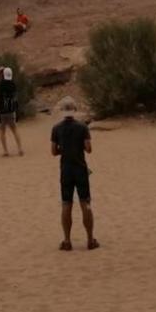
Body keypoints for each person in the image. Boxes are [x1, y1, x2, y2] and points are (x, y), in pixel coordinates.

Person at [51, 97, 97, 251]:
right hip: (80, 168)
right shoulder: (82, 127)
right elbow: (89, 148)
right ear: (75, 111)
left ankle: (67, 240)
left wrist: (63, 149)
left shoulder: (56, 128)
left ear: (63, 112)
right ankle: (90, 239)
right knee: (86, 203)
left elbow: (53, 151)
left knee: (66, 204)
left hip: (66, 170)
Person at [0, 66, 24, 156]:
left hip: (1, 111)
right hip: (11, 110)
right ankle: (20, 149)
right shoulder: (13, 85)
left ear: (3, 75)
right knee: (14, 129)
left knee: (2, 131)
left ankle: (5, 151)